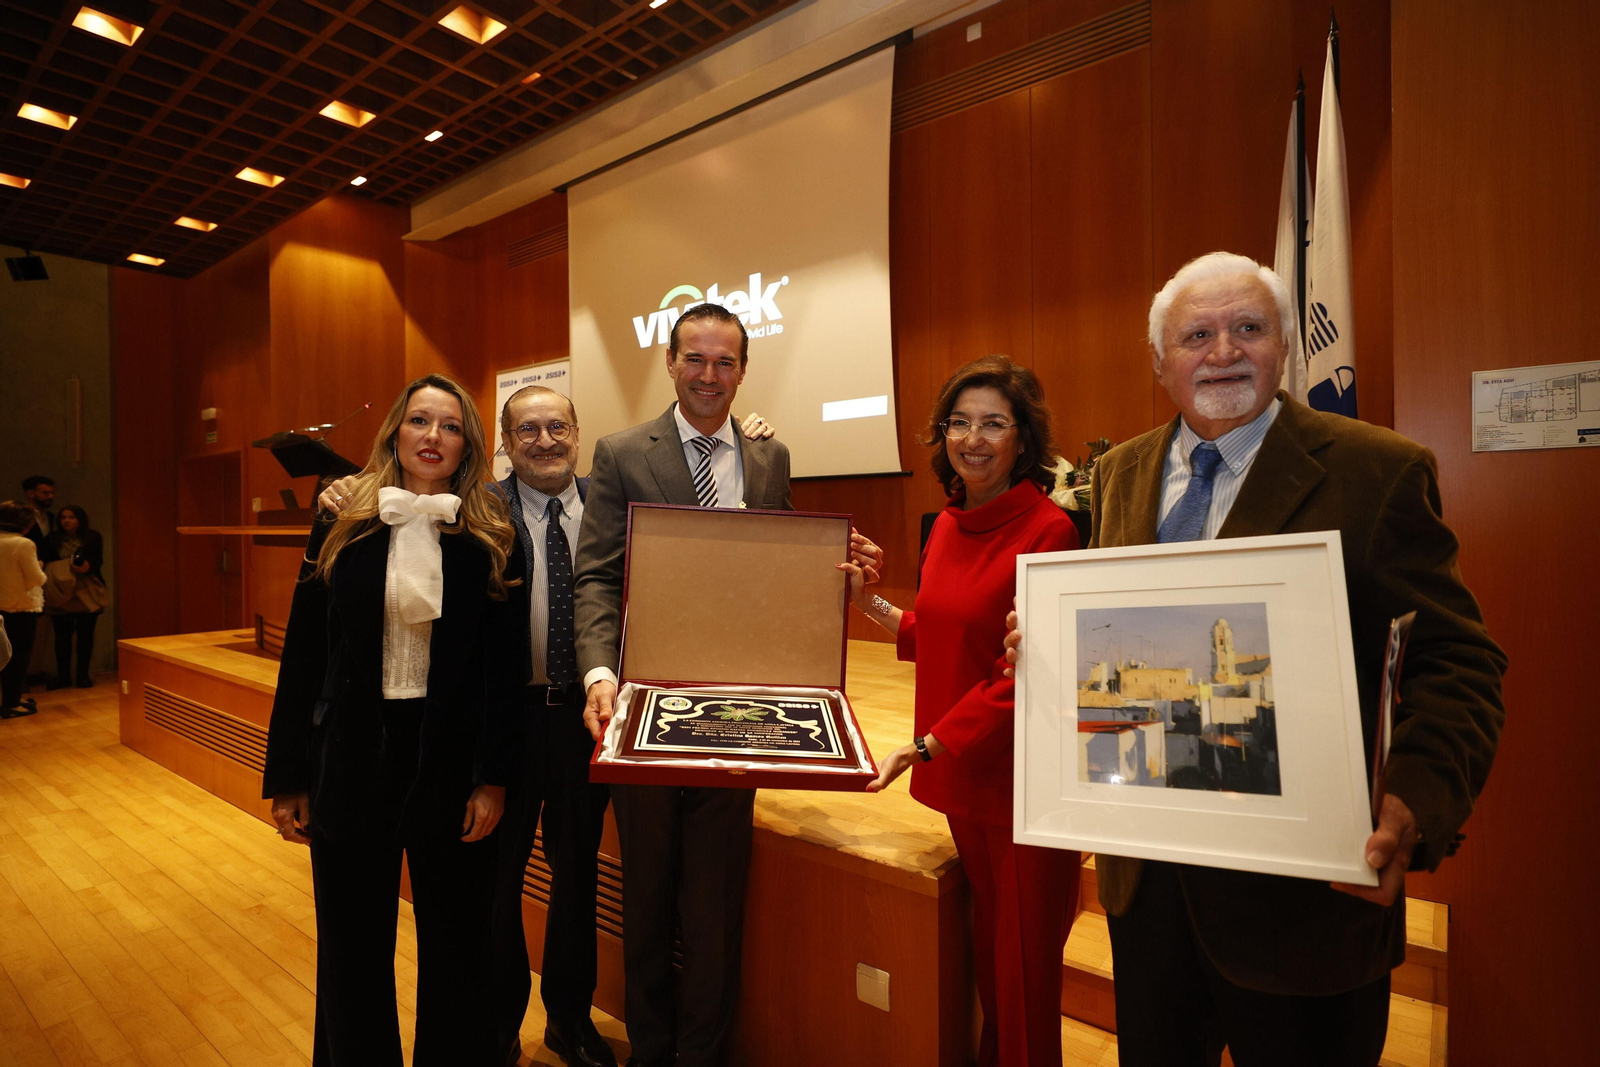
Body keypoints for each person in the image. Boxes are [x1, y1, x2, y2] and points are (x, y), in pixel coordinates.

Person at [1004, 252, 1506, 1066]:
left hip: (1304, 906)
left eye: (1248, 327)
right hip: (1147, 890)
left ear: (1285, 346)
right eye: (1197, 335)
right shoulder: (1120, 471)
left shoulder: (1377, 470)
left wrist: (1411, 802)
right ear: (1160, 361)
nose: (1224, 352)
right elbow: (1114, 631)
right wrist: (1050, 648)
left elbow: (1458, 662)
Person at [573, 301, 880, 1067]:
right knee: (647, 896)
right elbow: (597, 576)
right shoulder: (620, 452)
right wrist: (600, 671)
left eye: (725, 361)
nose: (709, 374)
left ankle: (703, 1056)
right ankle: (652, 1052)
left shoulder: (769, 457)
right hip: (645, 709)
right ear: (670, 363)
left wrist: (835, 568)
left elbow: (777, 569)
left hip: (739, 709)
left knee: (714, 901)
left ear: (743, 369)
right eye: (695, 358)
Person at [263, 373, 525, 1067]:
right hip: (351, 756)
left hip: (452, 763)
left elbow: (504, 673)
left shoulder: (493, 532)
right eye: (419, 421)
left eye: (450, 426)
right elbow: (304, 654)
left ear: (468, 444)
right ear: (395, 433)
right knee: (350, 949)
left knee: (459, 948)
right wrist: (288, 775)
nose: (433, 436)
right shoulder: (340, 519)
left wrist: (494, 777)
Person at [845, 355, 1082, 1067]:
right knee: (992, 957)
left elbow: (1025, 676)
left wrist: (923, 745)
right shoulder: (948, 524)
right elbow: (943, 631)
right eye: (959, 422)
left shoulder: (1049, 531)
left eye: (993, 424)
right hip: (965, 777)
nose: (972, 439)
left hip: (1021, 785)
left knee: (1024, 973)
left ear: (1023, 438)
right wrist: (866, 602)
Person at [43, 505, 105, 689]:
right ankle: (63, 676)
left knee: (86, 636)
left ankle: (82, 676)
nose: (67, 521)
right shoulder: (52, 539)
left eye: (71, 517)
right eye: (63, 517)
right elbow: (46, 562)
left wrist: (88, 567)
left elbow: (98, 560)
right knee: (62, 637)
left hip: (87, 589)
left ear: (80, 519)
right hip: (61, 591)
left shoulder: (92, 537)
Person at [0, 502, 47, 719]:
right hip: (22, 607)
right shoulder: (23, 544)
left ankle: (12, 698)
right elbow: (38, 578)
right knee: (20, 656)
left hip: (2, 607)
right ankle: (12, 702)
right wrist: (40, 567)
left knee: (5, 655)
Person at [21, 476, 54, 560]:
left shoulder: (50, 516)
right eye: (46, 493)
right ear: (30, 494)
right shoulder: (19, 515)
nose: (51, 496)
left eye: (52, 493)